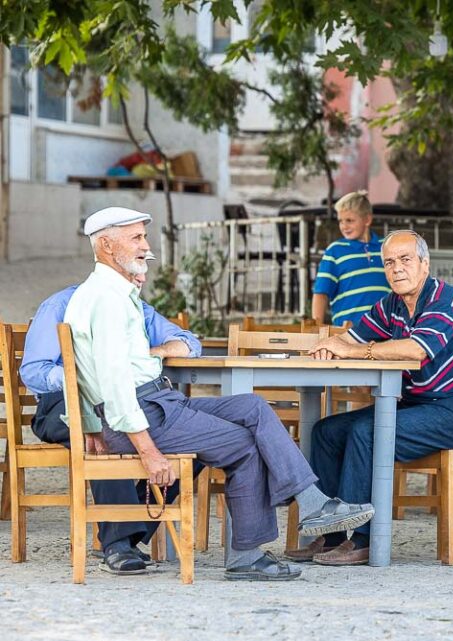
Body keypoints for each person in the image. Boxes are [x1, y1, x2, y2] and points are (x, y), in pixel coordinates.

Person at [64, 206, 369, 581]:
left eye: (144, 236)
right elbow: (111, 381)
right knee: (244, 444)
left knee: (252, 407)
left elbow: (85, 374)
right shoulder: (107, 299)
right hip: (145, 412)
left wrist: (94, 427)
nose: (146, 245)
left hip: (157, 403)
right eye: (137, 237)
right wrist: (147, 450)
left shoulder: (103, 293)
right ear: (107, 245)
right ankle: (247, 556)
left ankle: (312, 503)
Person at [297, 230, 453, 566]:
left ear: (424, 264)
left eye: (405, 260)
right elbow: (352, 336)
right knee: (326, 432)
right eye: (390, 262)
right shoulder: (391, 305)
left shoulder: (446, 298)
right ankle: (331, 536)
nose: (397, 269)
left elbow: (418, 349)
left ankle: (364, 540)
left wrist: (357, 350)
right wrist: (328, 346)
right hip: (417, 406)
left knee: (367, 432)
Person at [20, 269, 203, 574]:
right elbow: (33, 371)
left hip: (127, 396)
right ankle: (118, 544)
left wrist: (150, 353)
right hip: (64, 401)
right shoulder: (60, 305)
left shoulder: (136, 308)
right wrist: (84, 376)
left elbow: (189, 342)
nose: (137, 282)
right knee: (101, 426)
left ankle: (130, 535)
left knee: (194, 434)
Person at [311, 190, 391, 325]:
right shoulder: (334, 252)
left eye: (349, 220)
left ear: (367, 219)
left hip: (386, 333)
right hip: (348, 334)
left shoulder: (387, 248)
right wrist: (316, 329)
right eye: (341, 221)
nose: (344, 226)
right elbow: (321, 293)